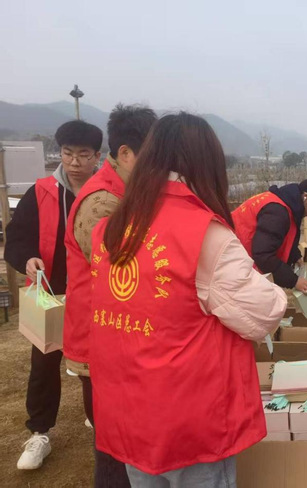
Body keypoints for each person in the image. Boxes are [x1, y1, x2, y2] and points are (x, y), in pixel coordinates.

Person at [88, 112, 287, 487]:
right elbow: (263, 314)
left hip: (129, 410)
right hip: (188, 418)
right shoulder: (204, 234)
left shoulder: (110, 228)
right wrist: (274, 288)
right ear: (206, 163)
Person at [62, 104, 157, 487]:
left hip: (114, 335)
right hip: (99, 340)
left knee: (124, 438)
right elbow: (124, 271)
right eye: (152, 156)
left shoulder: (124, 189)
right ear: (125, 153)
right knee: (114, 447)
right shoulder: (101, 203)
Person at [5, 120, 102, 470]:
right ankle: (39, 432)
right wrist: (27, 259)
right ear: (59, 152)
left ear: (97, 156)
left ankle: (101, 425)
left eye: (83, 154)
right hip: (52, 295)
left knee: (95, 366)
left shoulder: (107, 194)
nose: (74, 162)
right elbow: (17, 239)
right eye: (67, 153)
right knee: (44, 364)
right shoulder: (42, 192)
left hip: (96, 298)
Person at [232, 178, 307, 294]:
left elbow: (278, 236)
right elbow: (263, 255)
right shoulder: (277, 212)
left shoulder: (282, 204)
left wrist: (294, 255)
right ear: (306, 197)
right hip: (235, 263)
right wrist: (294, 281)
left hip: (239, 258)